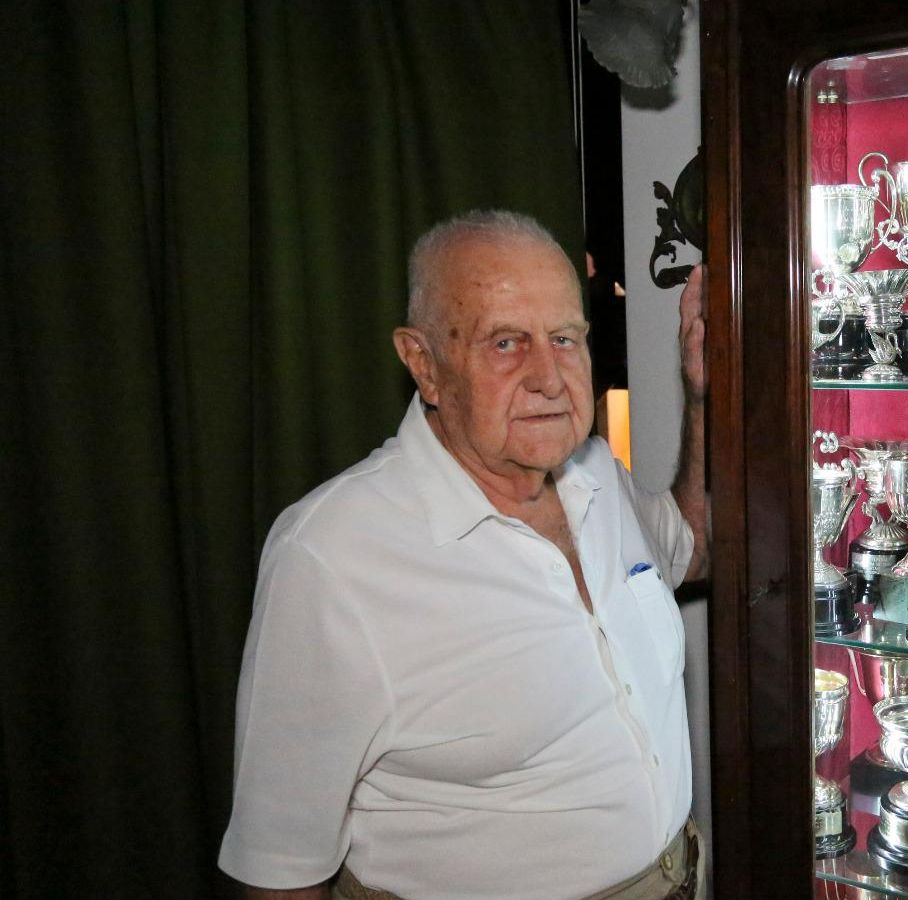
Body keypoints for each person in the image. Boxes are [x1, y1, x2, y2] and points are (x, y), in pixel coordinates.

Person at [218, 209, 709, 900]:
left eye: (565, 338)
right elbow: (279, 873)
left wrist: (703, 396)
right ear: (424, 364)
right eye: (506, 342)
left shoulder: (595, 470)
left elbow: (694, 546)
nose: (548, 376)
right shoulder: (333, 556)